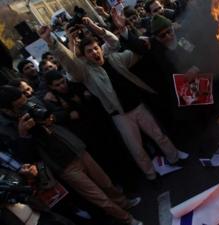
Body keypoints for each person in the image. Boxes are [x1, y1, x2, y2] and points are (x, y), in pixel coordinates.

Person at [38, 23, 185, 181]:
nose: (94, 52)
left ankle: (175, 157)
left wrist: (142, 39)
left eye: (96, 48)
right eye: (89, 51)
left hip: (137, 106)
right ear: (85, 56)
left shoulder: (115, 58)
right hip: (120, 116)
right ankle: (151, 175)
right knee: (137, 149)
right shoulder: (85, 73)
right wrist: (51, 41)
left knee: (159, 135)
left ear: (100, 48)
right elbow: (69, 62)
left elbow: (129, 47)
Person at [0, 86, 142, 225]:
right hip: (62, 165)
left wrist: (51, 118)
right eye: (20, 106)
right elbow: (25, 157)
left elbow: (64, 112)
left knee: (106, 183)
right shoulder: (6, 130)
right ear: (7, 110)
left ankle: (124, 203)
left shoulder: (35, 102)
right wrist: (23, 135)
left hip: (75, 148)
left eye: (26, 101)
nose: (26, 106)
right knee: (99, 197)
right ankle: (127, 219)